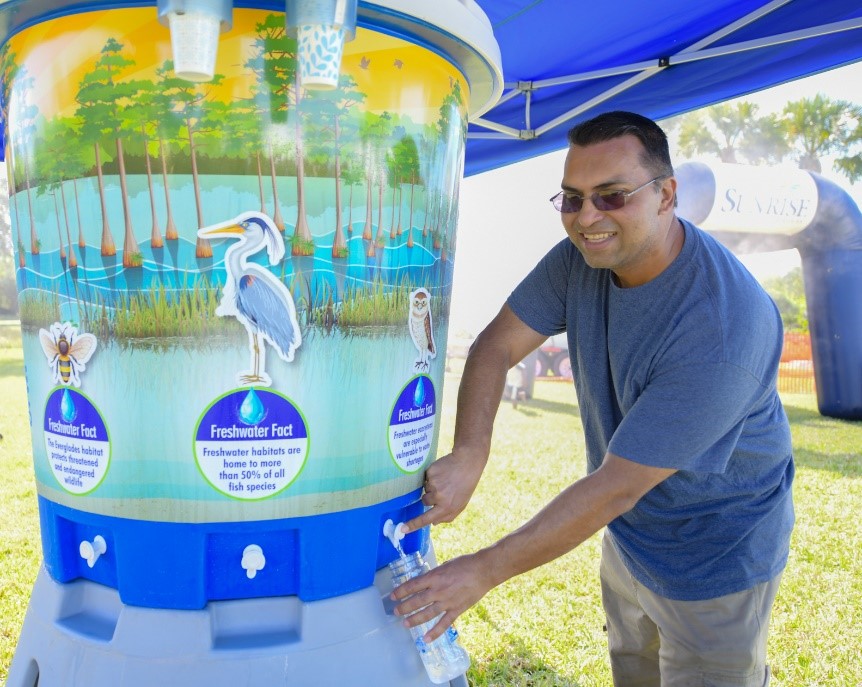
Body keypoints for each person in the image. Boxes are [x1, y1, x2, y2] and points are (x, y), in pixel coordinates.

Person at [392, 111, 794, 686]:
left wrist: (480, 571)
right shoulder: (584, 259)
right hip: (631, 537)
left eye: (611, 196)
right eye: (571, 199)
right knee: (633, 672)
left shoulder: (722, 329)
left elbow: (615, 486)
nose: (587, 219)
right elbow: (495, 345)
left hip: (717, 556)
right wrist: (471, 452)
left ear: (666, 195)